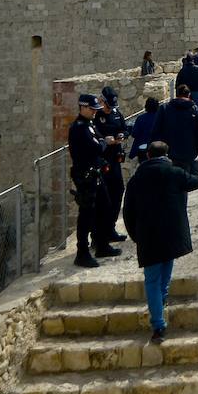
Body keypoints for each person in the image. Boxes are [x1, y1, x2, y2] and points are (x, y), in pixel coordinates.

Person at [122, 140, 198, 343]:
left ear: (148, 156)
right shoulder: (174, 173)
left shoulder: (136, 180)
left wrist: (136, 236)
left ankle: (158, 326)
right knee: (166, 270)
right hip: (171, 235)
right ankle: (162, 302)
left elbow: (128, 212)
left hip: (148, 237)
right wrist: (197, 163)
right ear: (166, 155)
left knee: (152, 280)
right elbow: (196, 182)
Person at [68, 94, 121, 268]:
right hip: (85, 175)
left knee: (104, 207)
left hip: (95, 173)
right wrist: (104, 142)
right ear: (83, 107)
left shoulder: (89, 124)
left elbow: (100, 139)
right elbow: (97, 146)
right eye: (92, 109)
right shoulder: (79, 127)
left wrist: (103, 141)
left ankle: (101, 244)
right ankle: (82, 252)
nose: (95, 112)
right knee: (86, 214)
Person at [152, 84, 198, 174]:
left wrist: (155, 151)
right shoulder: (195, 110)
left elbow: (156, 130)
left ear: (176, 94)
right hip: (189, 152)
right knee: (186, 178)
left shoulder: (164, 108)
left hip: (168, 152)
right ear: (189, 95)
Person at [97, 87, 129, 242]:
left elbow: (125, 128)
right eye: (107, 106)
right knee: (102, 197)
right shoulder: (96, 115)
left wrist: (122, 135)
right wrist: (103, 140)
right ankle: (98, 234)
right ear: (101, 101)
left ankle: (110, 228)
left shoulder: (116, 114)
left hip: (115, 160)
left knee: (118, 191)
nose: (109, 109)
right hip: (101, 161)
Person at [129, 96, 160, 161]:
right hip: (156, 149)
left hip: (142, 149)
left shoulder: (141, 118)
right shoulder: (160, 118)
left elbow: (134, 134)